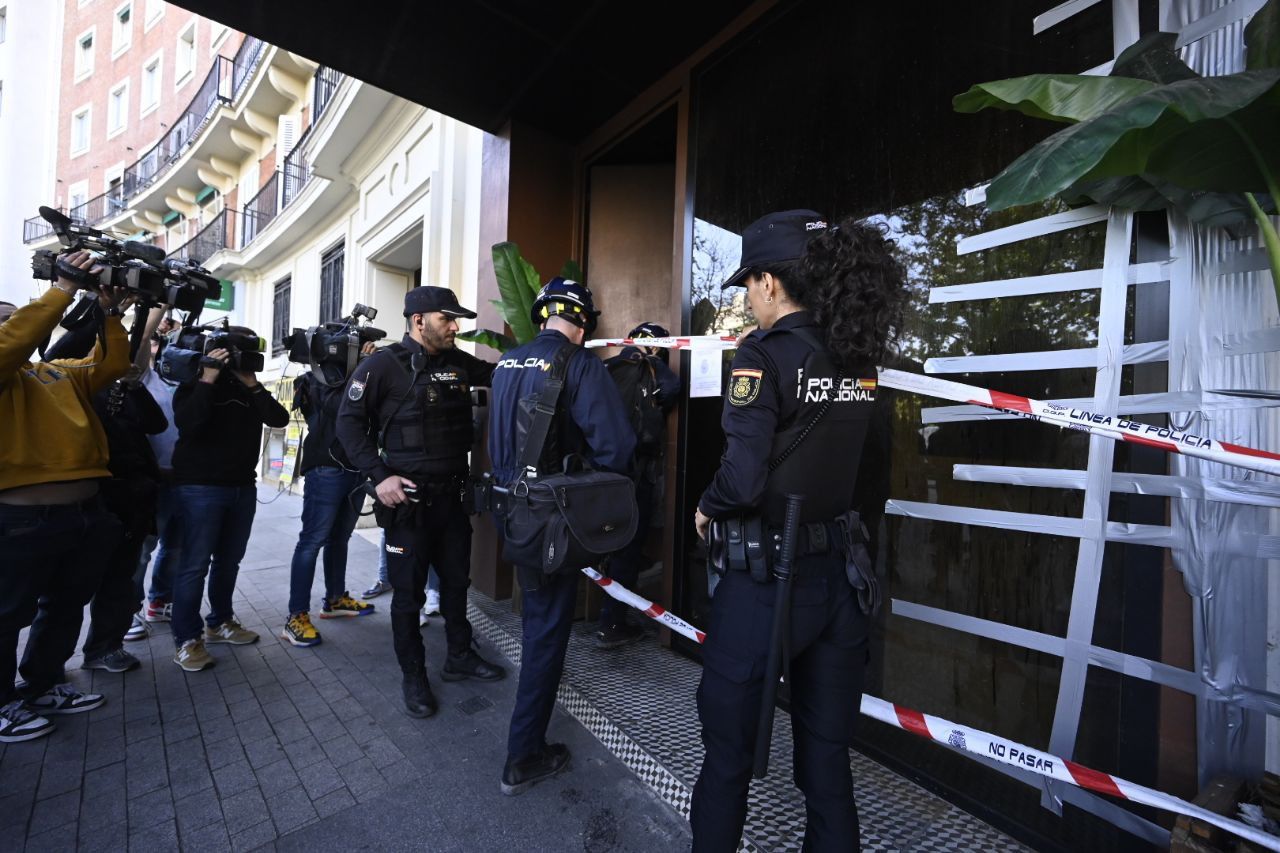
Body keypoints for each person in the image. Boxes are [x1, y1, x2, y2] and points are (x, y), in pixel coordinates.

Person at [690, 210, 906, 851]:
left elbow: (743, 478)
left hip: (767, 586)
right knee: (828, 766)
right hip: (842, 581)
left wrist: (705, 507)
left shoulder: (763, 355)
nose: (748, 300)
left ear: (768, 284)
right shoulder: (857, 357)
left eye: (747, 287)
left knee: (727, 759)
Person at [487, 277, 635, 795]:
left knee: (537, 621)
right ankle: (522, 755)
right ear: (583, 323)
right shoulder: (580, 364)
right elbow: (616, 448)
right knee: (547, 632)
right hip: (552, 519)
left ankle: (526, 738)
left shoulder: (507, 363)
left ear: (543, 314)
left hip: (511, 511)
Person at [336, 285, 506, 720]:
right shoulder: (382, 366)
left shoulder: (458, 362)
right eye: (447, 319)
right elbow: (348, 427)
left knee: (455, 584)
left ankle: (459, 655)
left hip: (451, 499)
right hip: (408, 504)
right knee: (408, 595)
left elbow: (503, 374)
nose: (455, 327)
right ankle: (414, 676)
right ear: (418, 321)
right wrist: (379, 477)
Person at [0, 253, 131, 742]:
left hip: (82, 515)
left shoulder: (52, 373)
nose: (15, 323)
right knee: (5, 615)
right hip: (18, 520)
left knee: (64, 604)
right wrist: (61, 289)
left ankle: (42, 684)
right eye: (5, 319)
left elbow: (112, 363)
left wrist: (111, 313)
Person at [42, 300, 168, 673]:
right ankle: (43, 676)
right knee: (65, 595)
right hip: (88, 500)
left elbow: (155, 424)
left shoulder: (121, 388)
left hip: (130, 503)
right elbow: (57, 349)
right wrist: (101, 305)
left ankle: (104, 649)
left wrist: (132, 386)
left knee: (119, 583)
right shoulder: (60, 380)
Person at [169, 327, 290, 672]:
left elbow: (278, 419)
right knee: (194, 564)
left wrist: (251, 382)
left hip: (241, 486)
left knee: (229, 561)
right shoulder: (194, 382)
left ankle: (220, 622)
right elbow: (189, 423)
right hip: (199, 487)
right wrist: (208, 378)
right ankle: (187, 640)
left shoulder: (246, 386)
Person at [280, 340, 379, 648]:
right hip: (325, 470)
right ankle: (296, 616)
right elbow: (341, 409)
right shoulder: (316, 378)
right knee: (312, 541)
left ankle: (335, 599)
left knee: (340, 538)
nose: (364, 350)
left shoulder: (361, 377)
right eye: (357, 347)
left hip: (355, 469)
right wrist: (361, 370)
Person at [598, 322, 680, 648]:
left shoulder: (606, 368)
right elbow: (673, 389)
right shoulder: (652, 370)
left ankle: (608, 616)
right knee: (628, 550)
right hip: (635, 476)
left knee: (608, 546)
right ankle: (613, 622)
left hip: (600, 475)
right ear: (657, 347)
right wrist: (654, 360)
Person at [135, 310, 184, 634]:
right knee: (141, 550)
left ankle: (159, 601)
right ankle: (126, 611)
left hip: (181, 478)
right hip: (150, 479)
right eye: (153, 342)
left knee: (174, 546)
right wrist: (158, 307)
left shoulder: (183, 377)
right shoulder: (143, 377)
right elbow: (138, 344)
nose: (157, 347)